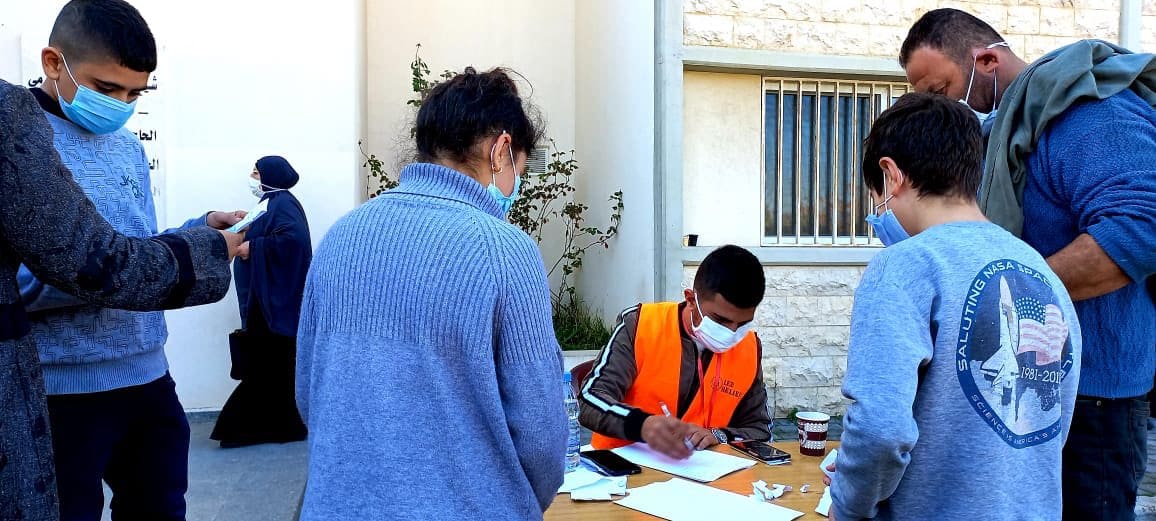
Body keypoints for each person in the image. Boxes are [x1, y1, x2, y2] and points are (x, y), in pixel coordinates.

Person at [900, 9, 1156, 518]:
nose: (940, 107)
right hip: (1031, 390)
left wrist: (1006, 288)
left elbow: (1139, 227)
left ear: (986, 61)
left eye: (941, 90)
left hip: (1093, 400)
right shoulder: (1012, 131)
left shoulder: (1088, 111)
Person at [295, 67, 566, 520]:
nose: (516, 184)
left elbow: (310, 391)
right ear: (501, 150)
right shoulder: (504, 250)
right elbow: (540, 436)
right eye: (520, 168)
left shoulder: (341, 236)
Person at [15, 2, 248, 520]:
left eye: (134, 94)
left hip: (148, 378)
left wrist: (196, 234)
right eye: (106, 88)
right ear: (53, 62)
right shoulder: (19, 146)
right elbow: (23, 280)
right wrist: (164, 263)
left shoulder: (126, 146)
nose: (121, 104)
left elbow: (134, 247)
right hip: (57, 388)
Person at [826, 92, 1081, 521]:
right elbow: (1052, 422)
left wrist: (848, 505)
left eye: (876, 197)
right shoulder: (1040, 270)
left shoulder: (903, 264)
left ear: (891, 175)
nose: (879, 213)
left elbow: (879, 428)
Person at [580, 244, 771, 460]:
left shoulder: (749, 347)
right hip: (623, 467)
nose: (732, 332)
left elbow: (760, 430)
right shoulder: (640, 325)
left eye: (743, 324)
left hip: (704, 472)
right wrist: (641, 424)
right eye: (720, 320)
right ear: (691, 300)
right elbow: (589, 400)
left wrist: (718, 435)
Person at [211, 156, 311, 448]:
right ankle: (282, 427)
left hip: (273, 302)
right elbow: (274, 232)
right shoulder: (271, 203)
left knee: (267, 364)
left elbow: (294, 241)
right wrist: (249, 222)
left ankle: (242, 429)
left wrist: (253, 246)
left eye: (256, 173)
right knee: (271, 365)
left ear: (271, 176)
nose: (252, 177)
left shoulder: (283, 204)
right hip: (266, 299)